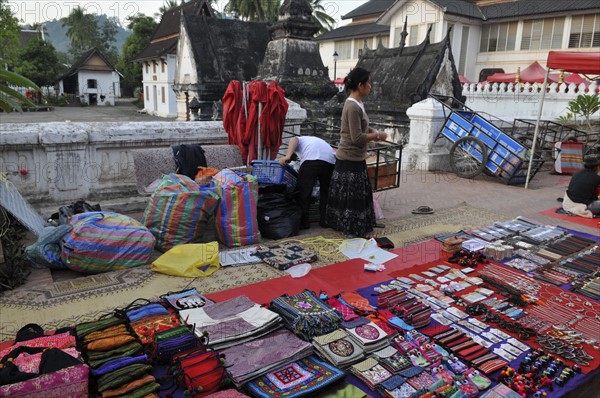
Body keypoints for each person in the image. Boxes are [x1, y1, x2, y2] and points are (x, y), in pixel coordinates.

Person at [324, 67, 388, 237]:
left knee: (357, 196)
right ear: (360, 85)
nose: (370, 86)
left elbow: (363, 127)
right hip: (349, 158)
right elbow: (357, 138)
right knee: (351, 198)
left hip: (357, 158)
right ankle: (350, 228)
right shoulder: (352, 106)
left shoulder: (359, 103)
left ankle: (356, 225)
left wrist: (374, 132)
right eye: (368, 83)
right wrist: (377, 136)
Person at [278, 136, 336, 229]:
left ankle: (304, 222)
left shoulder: (301, 139)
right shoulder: (316, 140)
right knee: (326, 192)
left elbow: (294, 139)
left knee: (304, 191)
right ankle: (325, 220)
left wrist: (287, 156)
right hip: (329, 161)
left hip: (311, 160)